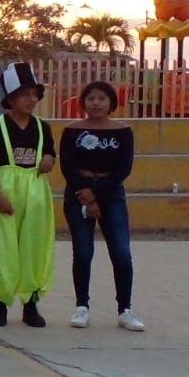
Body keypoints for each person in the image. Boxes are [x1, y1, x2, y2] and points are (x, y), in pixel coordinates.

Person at [0, 61, 56, 328]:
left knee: (34, 245)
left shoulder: (43, 127)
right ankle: (0, 302)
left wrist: (49, 159)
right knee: (1, 246)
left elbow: (50, 154)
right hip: (3, 192)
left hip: (35, 194)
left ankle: (31, 303)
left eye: (34, 94)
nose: (31, 100)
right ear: (10, 99)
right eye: (24, 95)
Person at [60, 81, 144, 331]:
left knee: (121, 252)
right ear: (83, 102)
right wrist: (85, 195)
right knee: (83, 252)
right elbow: (67, 166)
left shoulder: (122, 131)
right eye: (91, 98)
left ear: (111, 103)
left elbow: (124, 168)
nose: (96, 103)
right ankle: (81, 307)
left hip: (111, 194)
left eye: (101, 98)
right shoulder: (72, 131)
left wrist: (96, 195)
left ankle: (125, 310)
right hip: (78, 194)